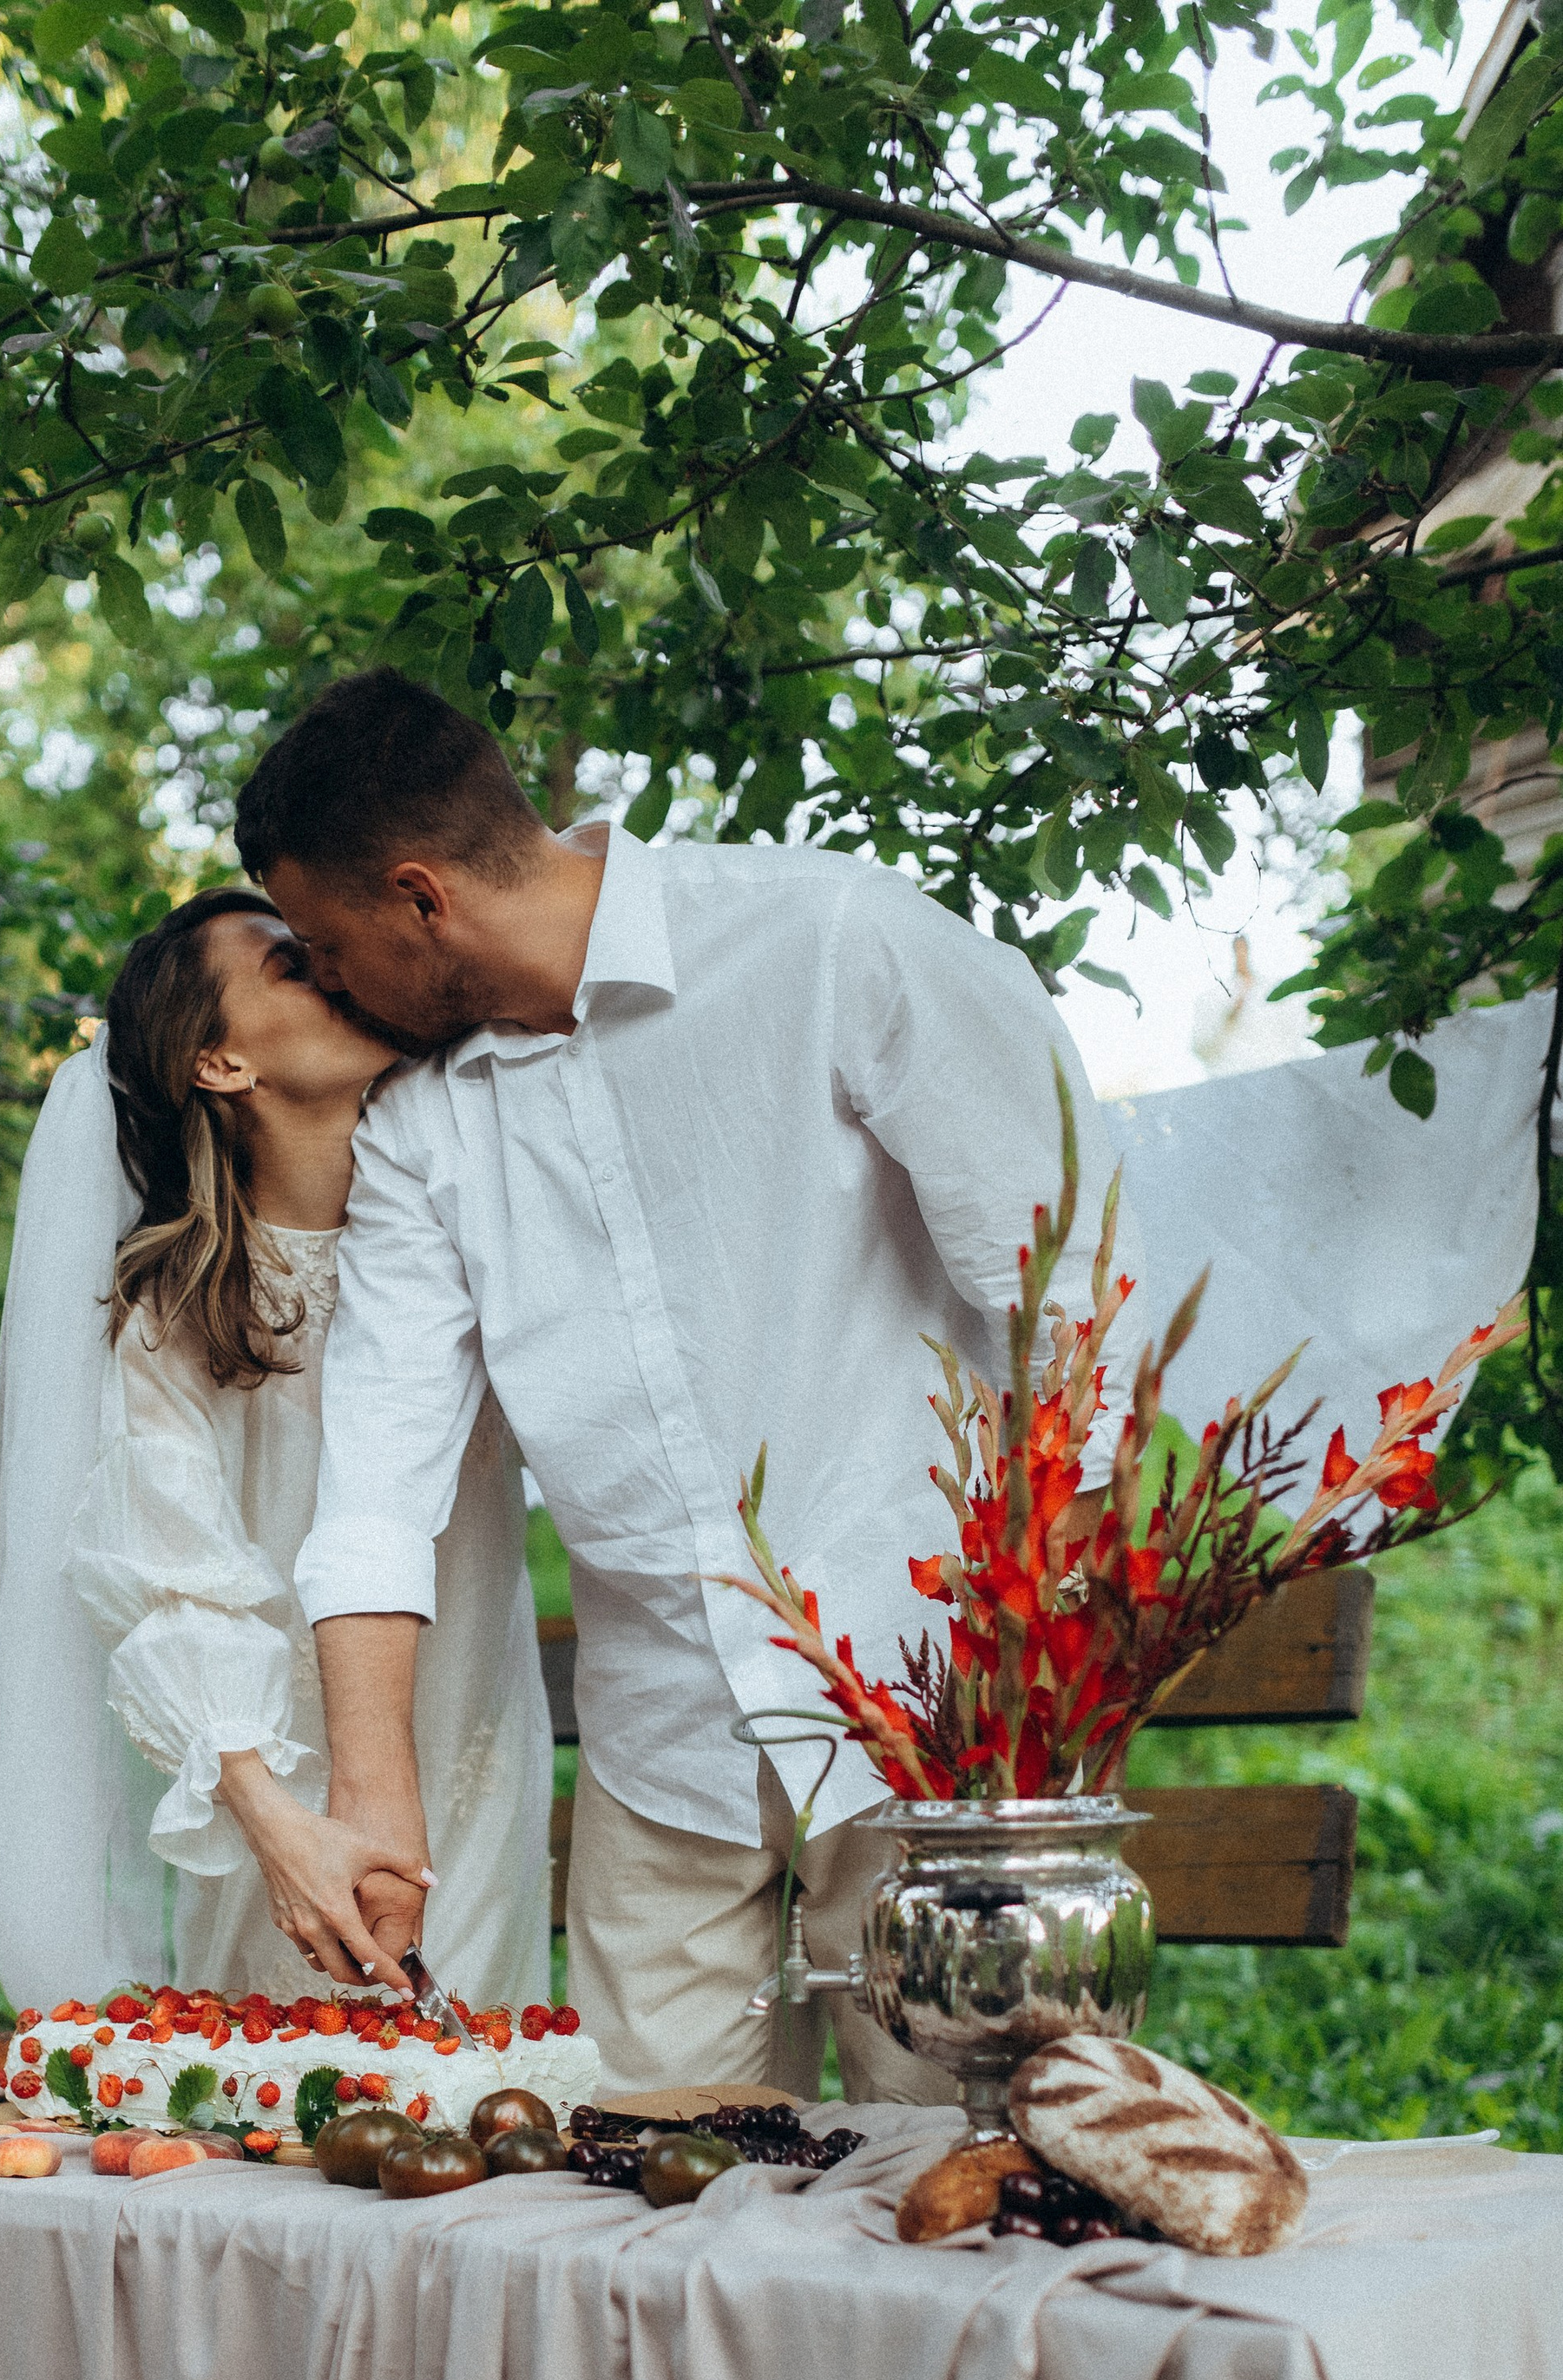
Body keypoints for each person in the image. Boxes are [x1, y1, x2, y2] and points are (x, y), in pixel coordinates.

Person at [228, 671, 1143, 2101]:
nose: (330, 986)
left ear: (422, 899)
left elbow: (1071, 1297)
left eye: (332, 949)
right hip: (661, 1755)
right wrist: (373, 1801)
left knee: (968, 2173)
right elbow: (378, 1480)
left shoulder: (839, 943)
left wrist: (1046, 1699)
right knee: (642, 2213)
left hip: (938, 1722)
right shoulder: (418, 1136)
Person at [50, 883, 551, 2006]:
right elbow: (166, 1584)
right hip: (266, 1781)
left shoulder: (475, 1236)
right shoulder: (173, 1314)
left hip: (471, 1719)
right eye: (291, 966)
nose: (338, 968)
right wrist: (279, 1831)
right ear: (220, 1063)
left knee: (479, 2107)